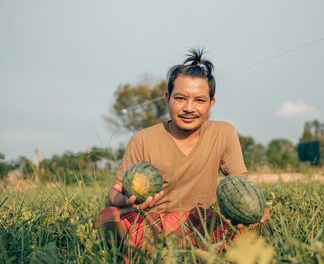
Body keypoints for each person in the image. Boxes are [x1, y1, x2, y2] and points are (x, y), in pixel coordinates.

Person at [94, 48, 271, 253]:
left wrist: (245, 213)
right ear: (167, 98)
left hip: (204, 223)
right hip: (154, 223)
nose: (189, 108)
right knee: (108, 216)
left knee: (258, 217)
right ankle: (174, 250)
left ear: (211, 103)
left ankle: (154, 252)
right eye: (180, 98)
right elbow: (114, 192)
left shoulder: (224, 133)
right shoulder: (142, 139)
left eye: (199, 100)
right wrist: (126, 200)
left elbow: (240, 186)